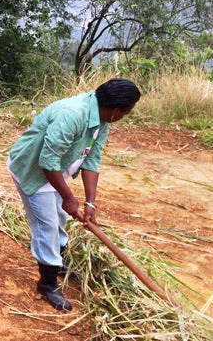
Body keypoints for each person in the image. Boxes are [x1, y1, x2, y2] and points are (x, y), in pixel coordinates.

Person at [7, 78, 141, 311]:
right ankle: (47, 283)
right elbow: (47, 161)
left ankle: (56, 264)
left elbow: (92, 157)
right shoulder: (73, 114)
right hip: (33, 171)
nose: (125, 116)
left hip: (56, 173)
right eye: (127, 112)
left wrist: (90, 202)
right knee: (46, 225)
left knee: (59, 218)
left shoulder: (102, 117)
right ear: (117, 110)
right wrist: (68, 197)